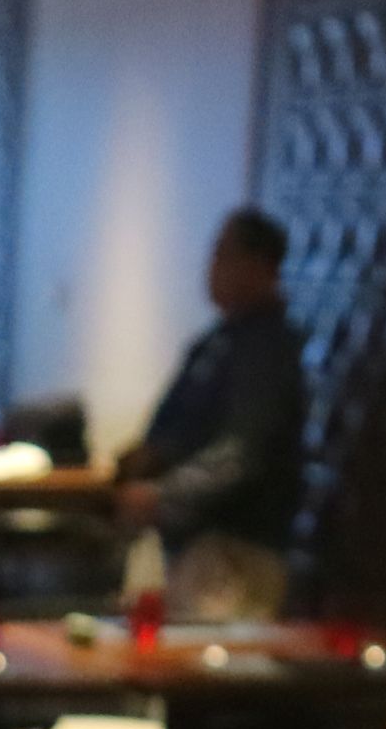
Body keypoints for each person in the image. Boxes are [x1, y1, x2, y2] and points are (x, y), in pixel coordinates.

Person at [114, 205, 307, 621]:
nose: (212, 267)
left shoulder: (266, 350)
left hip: (236, 553)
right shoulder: (223, 340)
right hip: (198, 547)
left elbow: (242, 451)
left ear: (259, 266)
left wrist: (164, 495)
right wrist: (153, 454)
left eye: (224, 254)